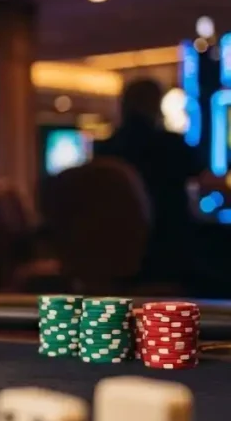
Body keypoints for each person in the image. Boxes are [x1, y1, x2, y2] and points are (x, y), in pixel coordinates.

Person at [94, 77, 222, 286]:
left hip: (114, 253)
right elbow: (210, 183)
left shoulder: (105, 149)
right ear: (155, 104)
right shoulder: (170, 144)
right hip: (169, 252)